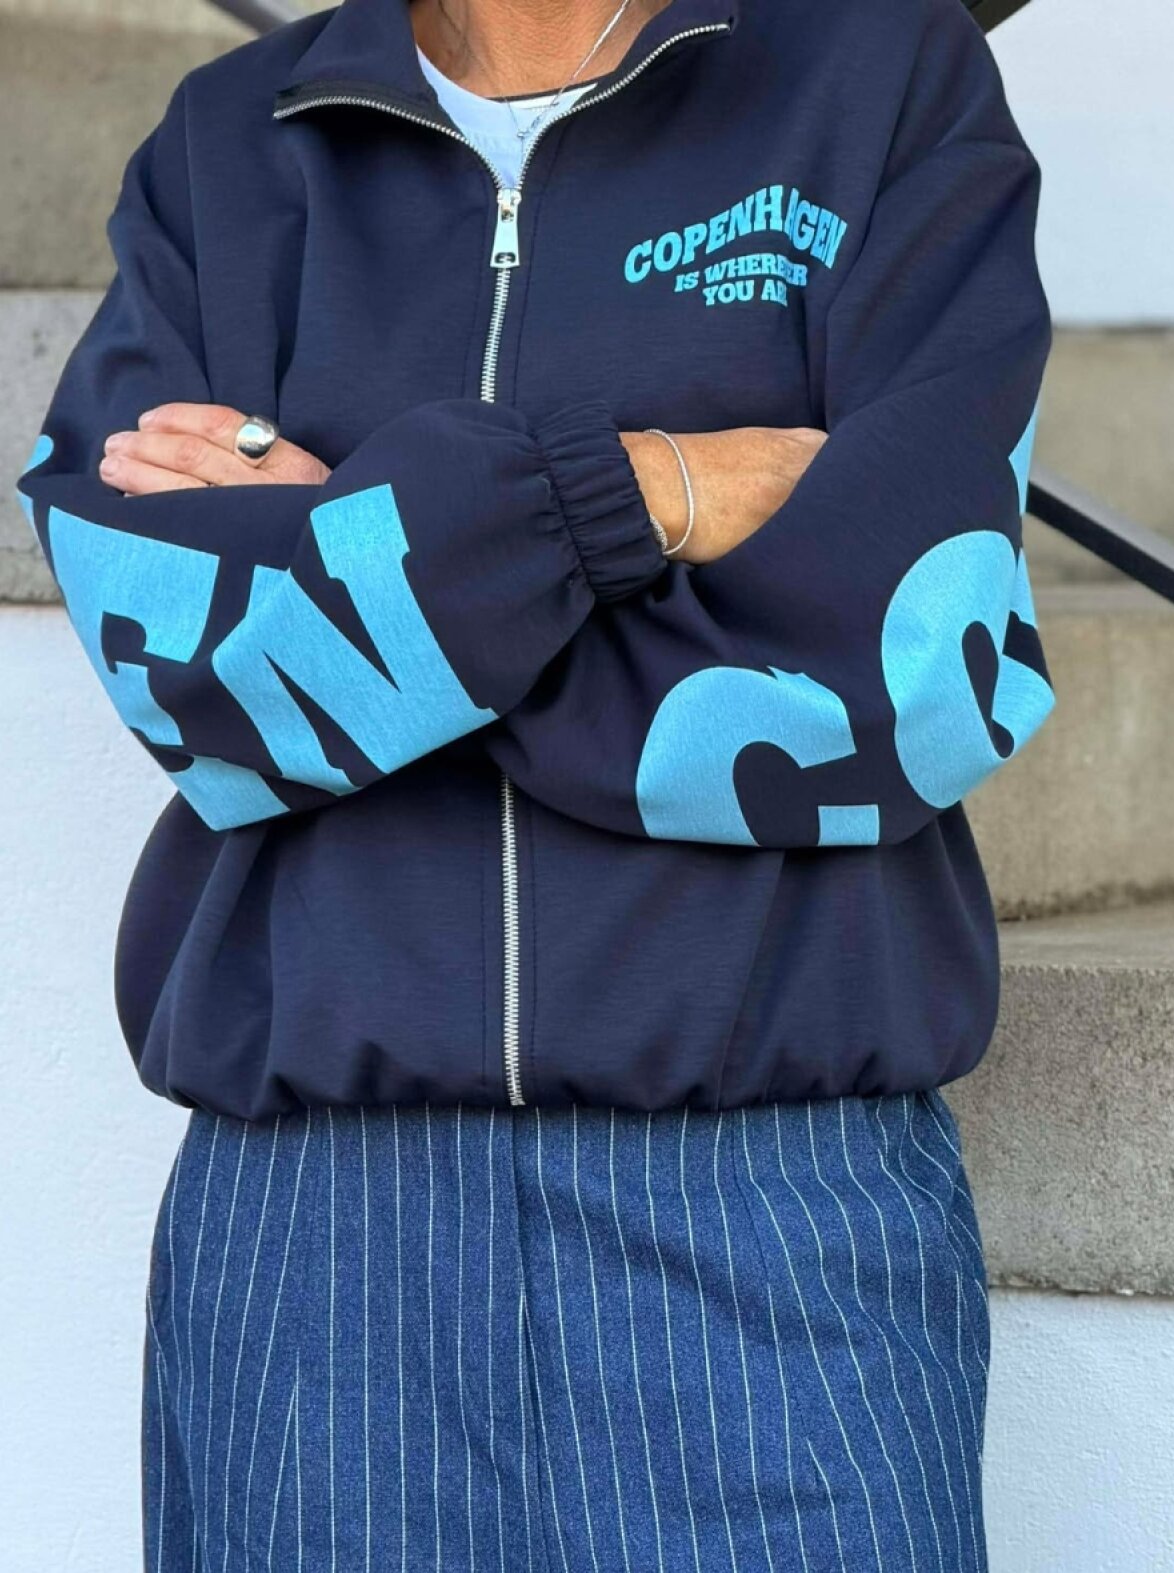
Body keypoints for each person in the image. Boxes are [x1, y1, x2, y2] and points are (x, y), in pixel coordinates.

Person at [16, 0, 1056, 1565]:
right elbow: (196, 662)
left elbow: (913, 664)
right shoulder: (231, 143)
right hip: (312, 1249)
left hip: (776, 1222)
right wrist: (640, 491)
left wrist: (364, 562)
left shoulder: (879, 81)